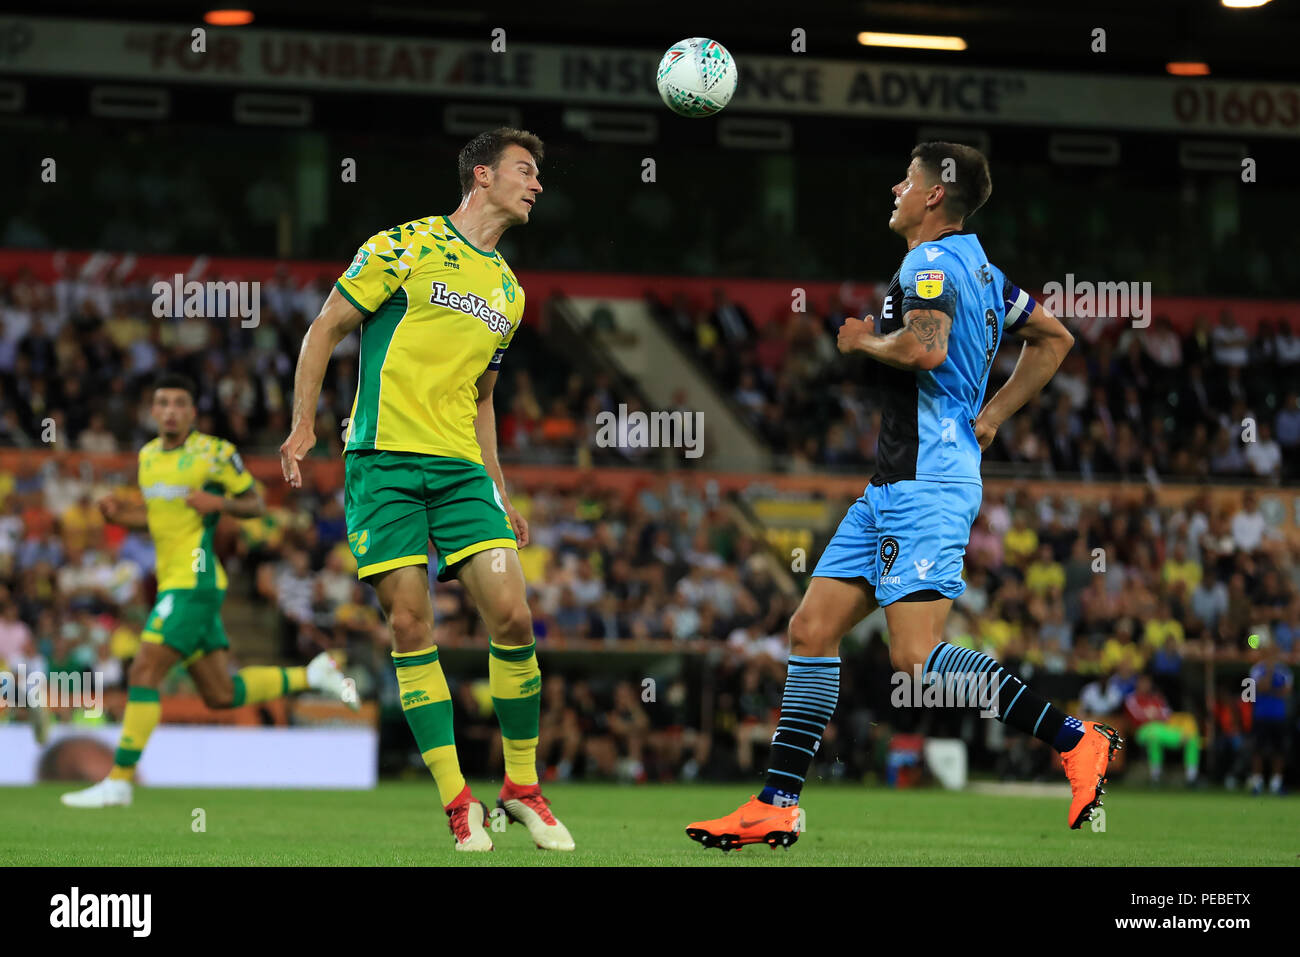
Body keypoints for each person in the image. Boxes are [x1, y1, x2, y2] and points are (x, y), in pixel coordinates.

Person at [687, 142, 1120, 852]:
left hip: (928, 482)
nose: (895, 186)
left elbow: (926, 349)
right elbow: (1053, 335)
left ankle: (1076, 739)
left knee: (917, 659)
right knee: (812, 628)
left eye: (906, 179)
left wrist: (863, 341)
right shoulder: (982, 269)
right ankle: (777, 804)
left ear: (932, 197)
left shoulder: (928, 264)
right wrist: (990, 418)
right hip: (894, 481)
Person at [280, 128, 572, 852]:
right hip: (382, 462)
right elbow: (325, 329)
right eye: (524, 170)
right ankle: (456, 800)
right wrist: (302, 427)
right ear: (483, 175)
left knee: (512, 612)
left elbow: (483, 397)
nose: (537, 184)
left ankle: (522, 786)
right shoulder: (402, 245)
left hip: (460, 471)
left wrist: (500, 486)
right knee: (411, 626)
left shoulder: (510, 289)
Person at [61, 374, 355, 809]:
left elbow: (254, 504)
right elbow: (160, 520)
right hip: (175, 581)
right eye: (162, 403)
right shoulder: (146, 458)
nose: (170, 411)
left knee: (143, 672)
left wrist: (219, 505)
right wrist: (121, 516)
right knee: (220, 694)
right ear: (152, 410)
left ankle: (120, 781)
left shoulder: (216, 454)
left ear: (192, 412)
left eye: (180, 403)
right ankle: (311, 674)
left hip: (194, 580)